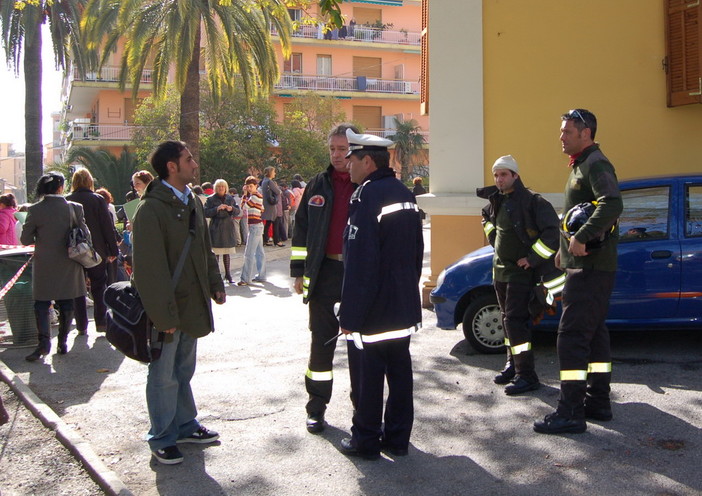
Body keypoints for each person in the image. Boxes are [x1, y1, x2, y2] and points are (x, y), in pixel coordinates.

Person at [131, 140, 226, 465]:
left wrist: (215, 284)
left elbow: (203, 247)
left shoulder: (193, 202)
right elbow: (149, 270)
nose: (194, 165)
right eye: (188, 159)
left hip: (192, 303)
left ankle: (185, 425)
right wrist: (162, 314)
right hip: (167, 310)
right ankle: (161, 437)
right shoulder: (151, 209)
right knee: (163, 374)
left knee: (183, 370)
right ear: (172, 166)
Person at [534, 109, 623, 435]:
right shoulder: (583, 164)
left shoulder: (596, 163)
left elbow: (611, 204)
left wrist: (582, 238)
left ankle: (570, 412)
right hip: (585, 266)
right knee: (594, 333)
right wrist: (563, 249)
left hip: (590, 269)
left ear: (585, 133)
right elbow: (577, 213)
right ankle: (597, 401)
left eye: (566, 132)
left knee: (571, 338)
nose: (561, 137)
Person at [338, 129, 423, 459]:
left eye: (353, 159)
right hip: (402, 306)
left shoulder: (365, 196)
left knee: (368, 378)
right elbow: (417, 252)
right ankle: (398, 439)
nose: (348, 165)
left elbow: (360, 262)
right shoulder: (405, 193)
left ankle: (366, 440)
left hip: (373, 311)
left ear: (368, 162)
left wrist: (350, 315)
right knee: (400, 375)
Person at [290, 123, 360, 434]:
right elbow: (301, 230)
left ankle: (364, 410)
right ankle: (316, 409)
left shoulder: (368, 185)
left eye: (343, 149)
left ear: (355, 149)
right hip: (324, 274)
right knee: (321, 342)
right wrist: (298, 271)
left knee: (361, 344)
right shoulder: (317, 185)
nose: (336, 154)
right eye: (332, 149)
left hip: (359, 275)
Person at [477, 155, 564, 395]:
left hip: (520, 275)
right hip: (500, 272)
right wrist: (495, 239)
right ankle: (512, 365)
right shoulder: (496, 201)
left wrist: (532, 259)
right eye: (496, 175)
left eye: (504, 174)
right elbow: (487, 221)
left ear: (515, 175)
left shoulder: (532, 201)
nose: (499, 179)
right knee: (507, 320)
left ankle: (526, 375)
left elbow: (552, 234)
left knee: (515, 322)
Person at [21, 173, 87, 361]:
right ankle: (63, 341)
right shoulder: (75, 208)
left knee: (41, 303)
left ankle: (43, 344)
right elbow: (85, 234)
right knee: (67, 301)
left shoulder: (35, 210)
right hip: (70, 261)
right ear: (60, 187)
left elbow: (25, 239)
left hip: (44, 264)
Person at [67, 169, 119, 334]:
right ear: (90, 181)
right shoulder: (97, 199)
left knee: (78, 289)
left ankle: (81, 325)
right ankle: (101, 322)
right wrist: (113, 249)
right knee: (98, 285)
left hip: (74, 250)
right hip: (97, 250)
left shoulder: (66, 201)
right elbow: (107, 226)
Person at [204, 179, 239, 284]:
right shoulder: (210, 199)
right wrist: (217, 209)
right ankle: (216, 275)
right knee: (216, 253)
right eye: (219, 187)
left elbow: (238, 211)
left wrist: (231, 208)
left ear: (226, 188)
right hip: (216, 228)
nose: (221, 188)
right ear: (215, 188)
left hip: (228, 227)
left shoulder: (230, 198)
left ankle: (228, 274)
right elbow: (205, 212)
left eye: (223, 187)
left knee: (227, 253)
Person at [238, 176, 266, 286]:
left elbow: (244, 207)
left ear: (256, 186)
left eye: (251, 186)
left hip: (255, 226)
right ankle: (262, 275)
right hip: (257, 225)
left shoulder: (254, 196)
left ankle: (245, 278)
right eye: (248, 186)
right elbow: (262, 208)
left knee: (248, 253)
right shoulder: (258, 195)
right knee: (259, 252)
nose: (249, 188)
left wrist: (244, 194)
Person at [261, 166, 283, 247]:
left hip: (266, 204)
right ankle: (276, 240)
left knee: (268, 222)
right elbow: (277, 191)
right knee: (275, 222)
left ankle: (265, 239)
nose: (275, 173)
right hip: (271, 205)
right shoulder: (270, 182)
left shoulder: (264, 181)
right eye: (274, 172)